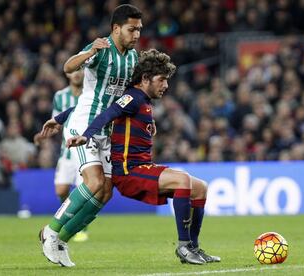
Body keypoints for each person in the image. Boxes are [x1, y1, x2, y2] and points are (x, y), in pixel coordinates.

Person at [66, 49, 221, 264]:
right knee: (182, 180)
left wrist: (59, 117)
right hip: (128, 172)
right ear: (146, 78)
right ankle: (184, 247)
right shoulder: (132, 97)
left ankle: (193, 248)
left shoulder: (144, 101)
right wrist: (86, 135)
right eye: (162, 80)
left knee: (201, 187)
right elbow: (109, 113)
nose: (166, 85)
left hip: (143, 168)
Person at [38, 4, 142, 267]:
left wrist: (60, 117)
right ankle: (49, 232)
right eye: (132, 29)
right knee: (94, 183)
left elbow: (112, 100)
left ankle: (63, 239)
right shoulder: (101, 48)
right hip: (83, 126)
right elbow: (67, 67)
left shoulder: (132, 58)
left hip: (106, 129)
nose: (137, 34)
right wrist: (89, 52)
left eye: (139, 29)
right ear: (116, 28)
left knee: (106, 192)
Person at [35, 69, 88, 242]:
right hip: (66, 152)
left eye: (81, 70)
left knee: (84, 191)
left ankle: (80, 227)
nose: (77, 74)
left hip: (85, 149)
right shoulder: (60, 96)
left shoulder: (90, 92)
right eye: (74, 71)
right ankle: (69, 216)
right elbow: (56, 123)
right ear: (68, 75)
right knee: (62, 189)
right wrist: (43, 135)